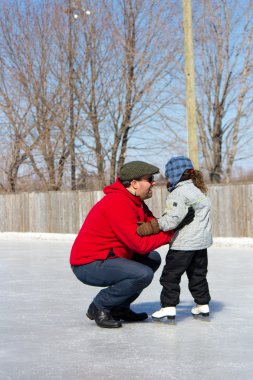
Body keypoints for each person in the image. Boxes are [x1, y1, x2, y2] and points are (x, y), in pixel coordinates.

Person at [70, 161, 175, 328]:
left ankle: (120, 307)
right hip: (89, 263)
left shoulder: (135, 201)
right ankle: (100, 306)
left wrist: (173, 222)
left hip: (110, 257)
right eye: (150, 179)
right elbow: (139, 245)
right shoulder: (117, 202)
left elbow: (152, 225)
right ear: (134, 183)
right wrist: (170, 235)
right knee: (142, 274)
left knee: (152, 259)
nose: (154, 182)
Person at [137, 156, 212, 320]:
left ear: (176, 174)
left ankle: (168, 307)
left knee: (170, 276)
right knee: (197, 275)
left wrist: (151, 226)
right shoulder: (198, 189)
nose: (168, 180)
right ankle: (202, 304)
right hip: (200, 244)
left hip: (183, 245)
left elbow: (173, 219)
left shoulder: (179, 193)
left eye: (169, 176)